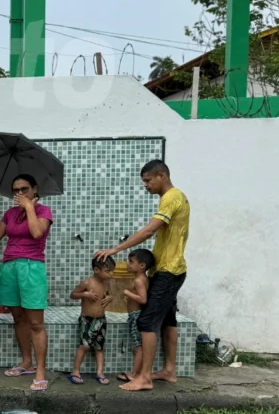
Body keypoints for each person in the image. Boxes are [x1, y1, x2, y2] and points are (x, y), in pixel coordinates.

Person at [94, 159, 190, 392]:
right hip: (171, 269)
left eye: (147, 181)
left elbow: (149, 230)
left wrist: (116, 249)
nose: (145, 185)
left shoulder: (171, 198)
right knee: (168, 321)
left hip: (169, 271)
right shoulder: (176, 197)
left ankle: (144, 377)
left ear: (161, 176)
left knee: (147, 322)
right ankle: (168, 370)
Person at [0, 174, 53, 392]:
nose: (19, 194)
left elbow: (37, 232)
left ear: (34, 189)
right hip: (9, 267)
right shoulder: (10, 213)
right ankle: (27, 362)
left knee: (35, 322)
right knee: (18, 318)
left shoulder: (43, 211)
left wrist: (29, 207)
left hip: (32, 267)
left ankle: (40, 371)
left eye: (24, 189)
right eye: (16, 190)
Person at [68, 256, 115, 385]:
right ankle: (75, 371)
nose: (111, 274)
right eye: (108, 271)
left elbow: (110, 294)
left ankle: (100, 372)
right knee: (84, 346)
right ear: (96, 270)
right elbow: (73, 295)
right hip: (87, 320)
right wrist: (85, 294)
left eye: (112, 271)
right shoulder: (87, 283)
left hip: (101, 320)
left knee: (99, 348)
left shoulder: (107, 282)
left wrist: (110, 298)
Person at [118, 249, 155, 384]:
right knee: (139, 346)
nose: (128, 264)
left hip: (136, 316)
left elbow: (143, 299)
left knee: (138, 347)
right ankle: (137, 372)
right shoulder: (142, 278)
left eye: (131, 262)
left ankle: (134, 374)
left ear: (142, 266)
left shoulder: (139, 280)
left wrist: (127, 293)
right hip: (136, 315)